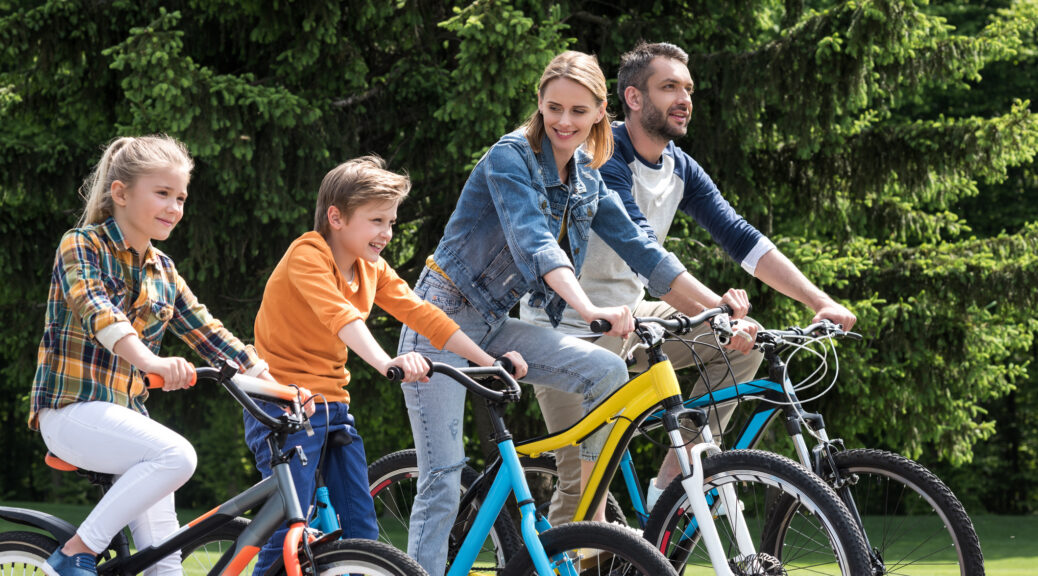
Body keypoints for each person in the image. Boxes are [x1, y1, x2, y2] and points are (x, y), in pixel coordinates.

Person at [397, 50, 750, 576]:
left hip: (492, 325)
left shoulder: (586, 175)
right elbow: (536, 244)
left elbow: (644, 251)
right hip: (439, 322)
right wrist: (589, 310)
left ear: (600, 113)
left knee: (606, 371)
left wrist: (718, 310)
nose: (564, 121)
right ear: (539, 105)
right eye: (554, 108)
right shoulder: (509, 158)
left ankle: (591, 518)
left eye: (579, 111)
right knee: (443, 476)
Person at [521, 41, 858, 525]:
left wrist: (818, 300)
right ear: (634, 99)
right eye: (669, 87)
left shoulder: (679, 165)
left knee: (745, 349)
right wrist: (720, 309)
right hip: (569, 331)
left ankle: (673, 486)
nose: (684, 99)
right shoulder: (600, 158)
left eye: (688, 89)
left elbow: (741, 237)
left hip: (632, 319)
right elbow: (646, 254)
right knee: (583, 493)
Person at [242, 156, 525, 576]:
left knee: (361, 531)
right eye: (376, 220)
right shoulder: (307, 254)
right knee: (290, 528)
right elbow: (341, 316)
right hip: (284, 407)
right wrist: (385, 361)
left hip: (331, 405)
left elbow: (423, 314)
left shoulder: (370, 268)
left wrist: (489, 363)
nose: (387, 233)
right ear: (336, 217)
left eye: (391, 222)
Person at [30, 135, 274, 576]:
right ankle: (74, 552)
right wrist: (152, 362)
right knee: (178, 456)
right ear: (121, 193)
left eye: (180, 197)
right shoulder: (81, 245)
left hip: (128, 427)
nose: (174, 207)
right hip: (71, 413)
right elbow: (97, 310)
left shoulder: (163, 269)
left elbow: (208, 332)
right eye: (162, 193)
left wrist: (274, 383)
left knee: (166, 558)